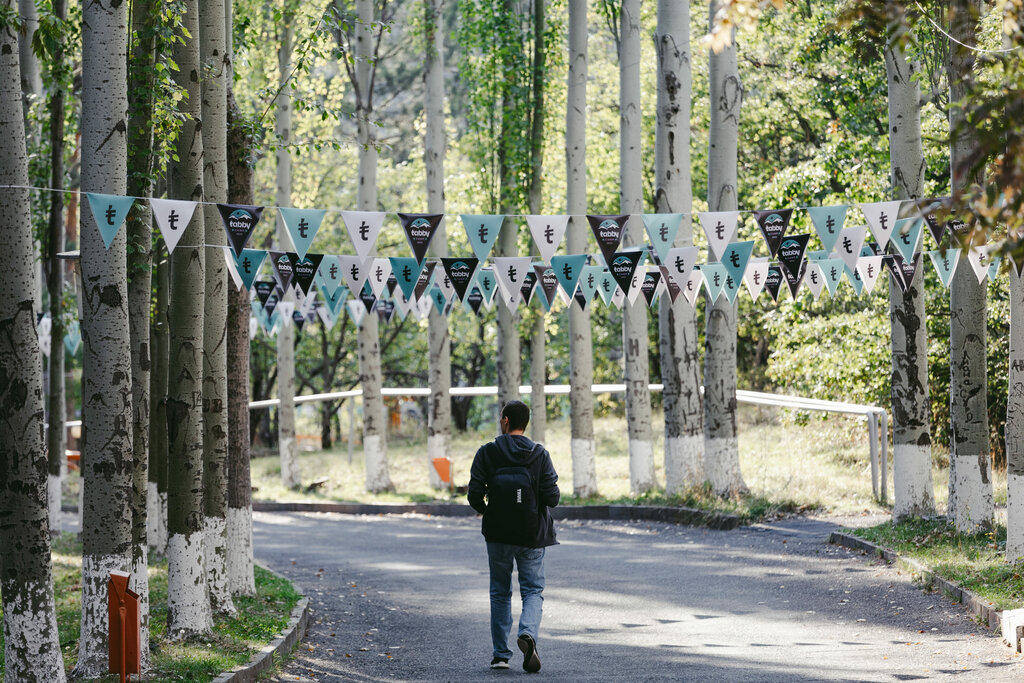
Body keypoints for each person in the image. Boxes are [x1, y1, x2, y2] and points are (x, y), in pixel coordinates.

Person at [467, 400, 560, 673]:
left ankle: (500, 656)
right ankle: (528, 633)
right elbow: (553, 497)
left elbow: (473, 495)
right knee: (532, 590)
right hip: (531, 534)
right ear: (525, 423)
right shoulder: (539, 454)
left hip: (497, 535)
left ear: (505, 420)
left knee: (500, 592)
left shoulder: (487, 452)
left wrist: (490, 513)